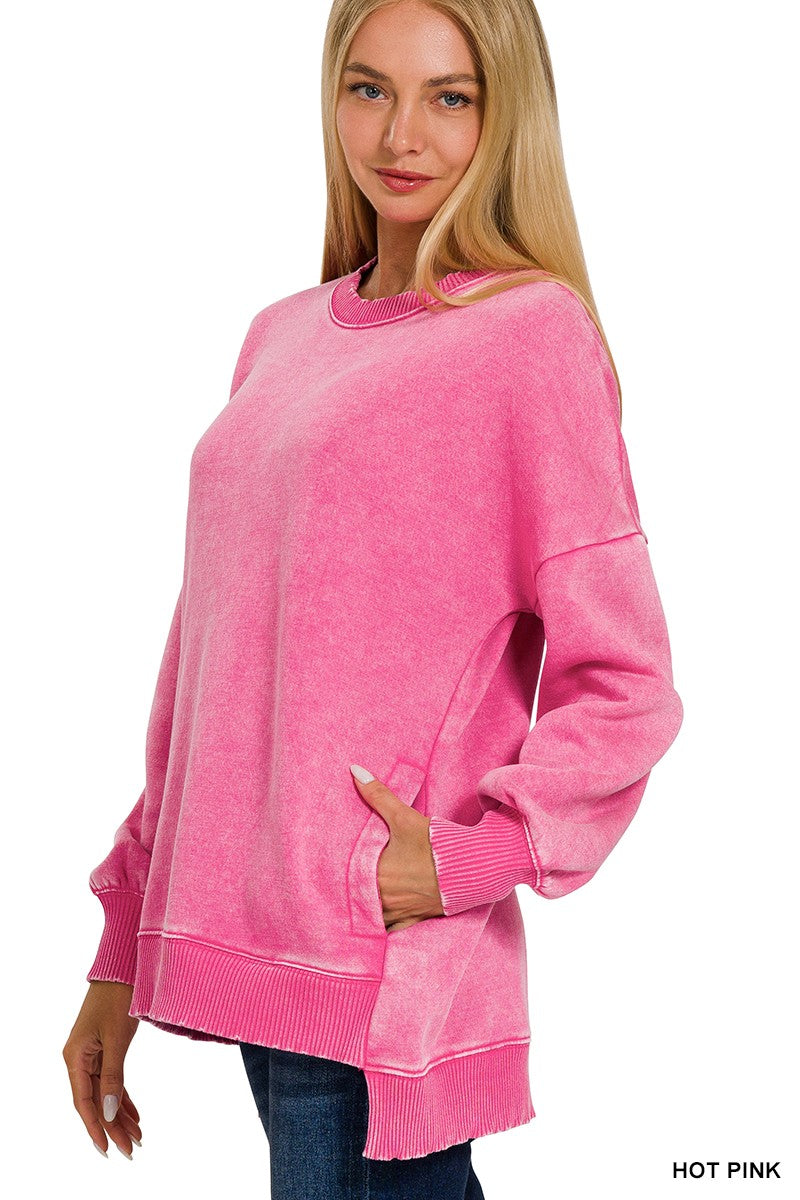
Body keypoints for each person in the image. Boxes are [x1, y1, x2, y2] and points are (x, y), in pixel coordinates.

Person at [62, 1, 684, 1196]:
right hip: (248, 952)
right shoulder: (280, 337)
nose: (401, 134)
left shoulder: (526, 337)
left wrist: (468, 858)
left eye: (450, 97)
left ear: (505, 116)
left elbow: (626, 683)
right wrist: (119, 945)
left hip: (373, 972)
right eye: (368, 89)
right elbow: (206, 669)